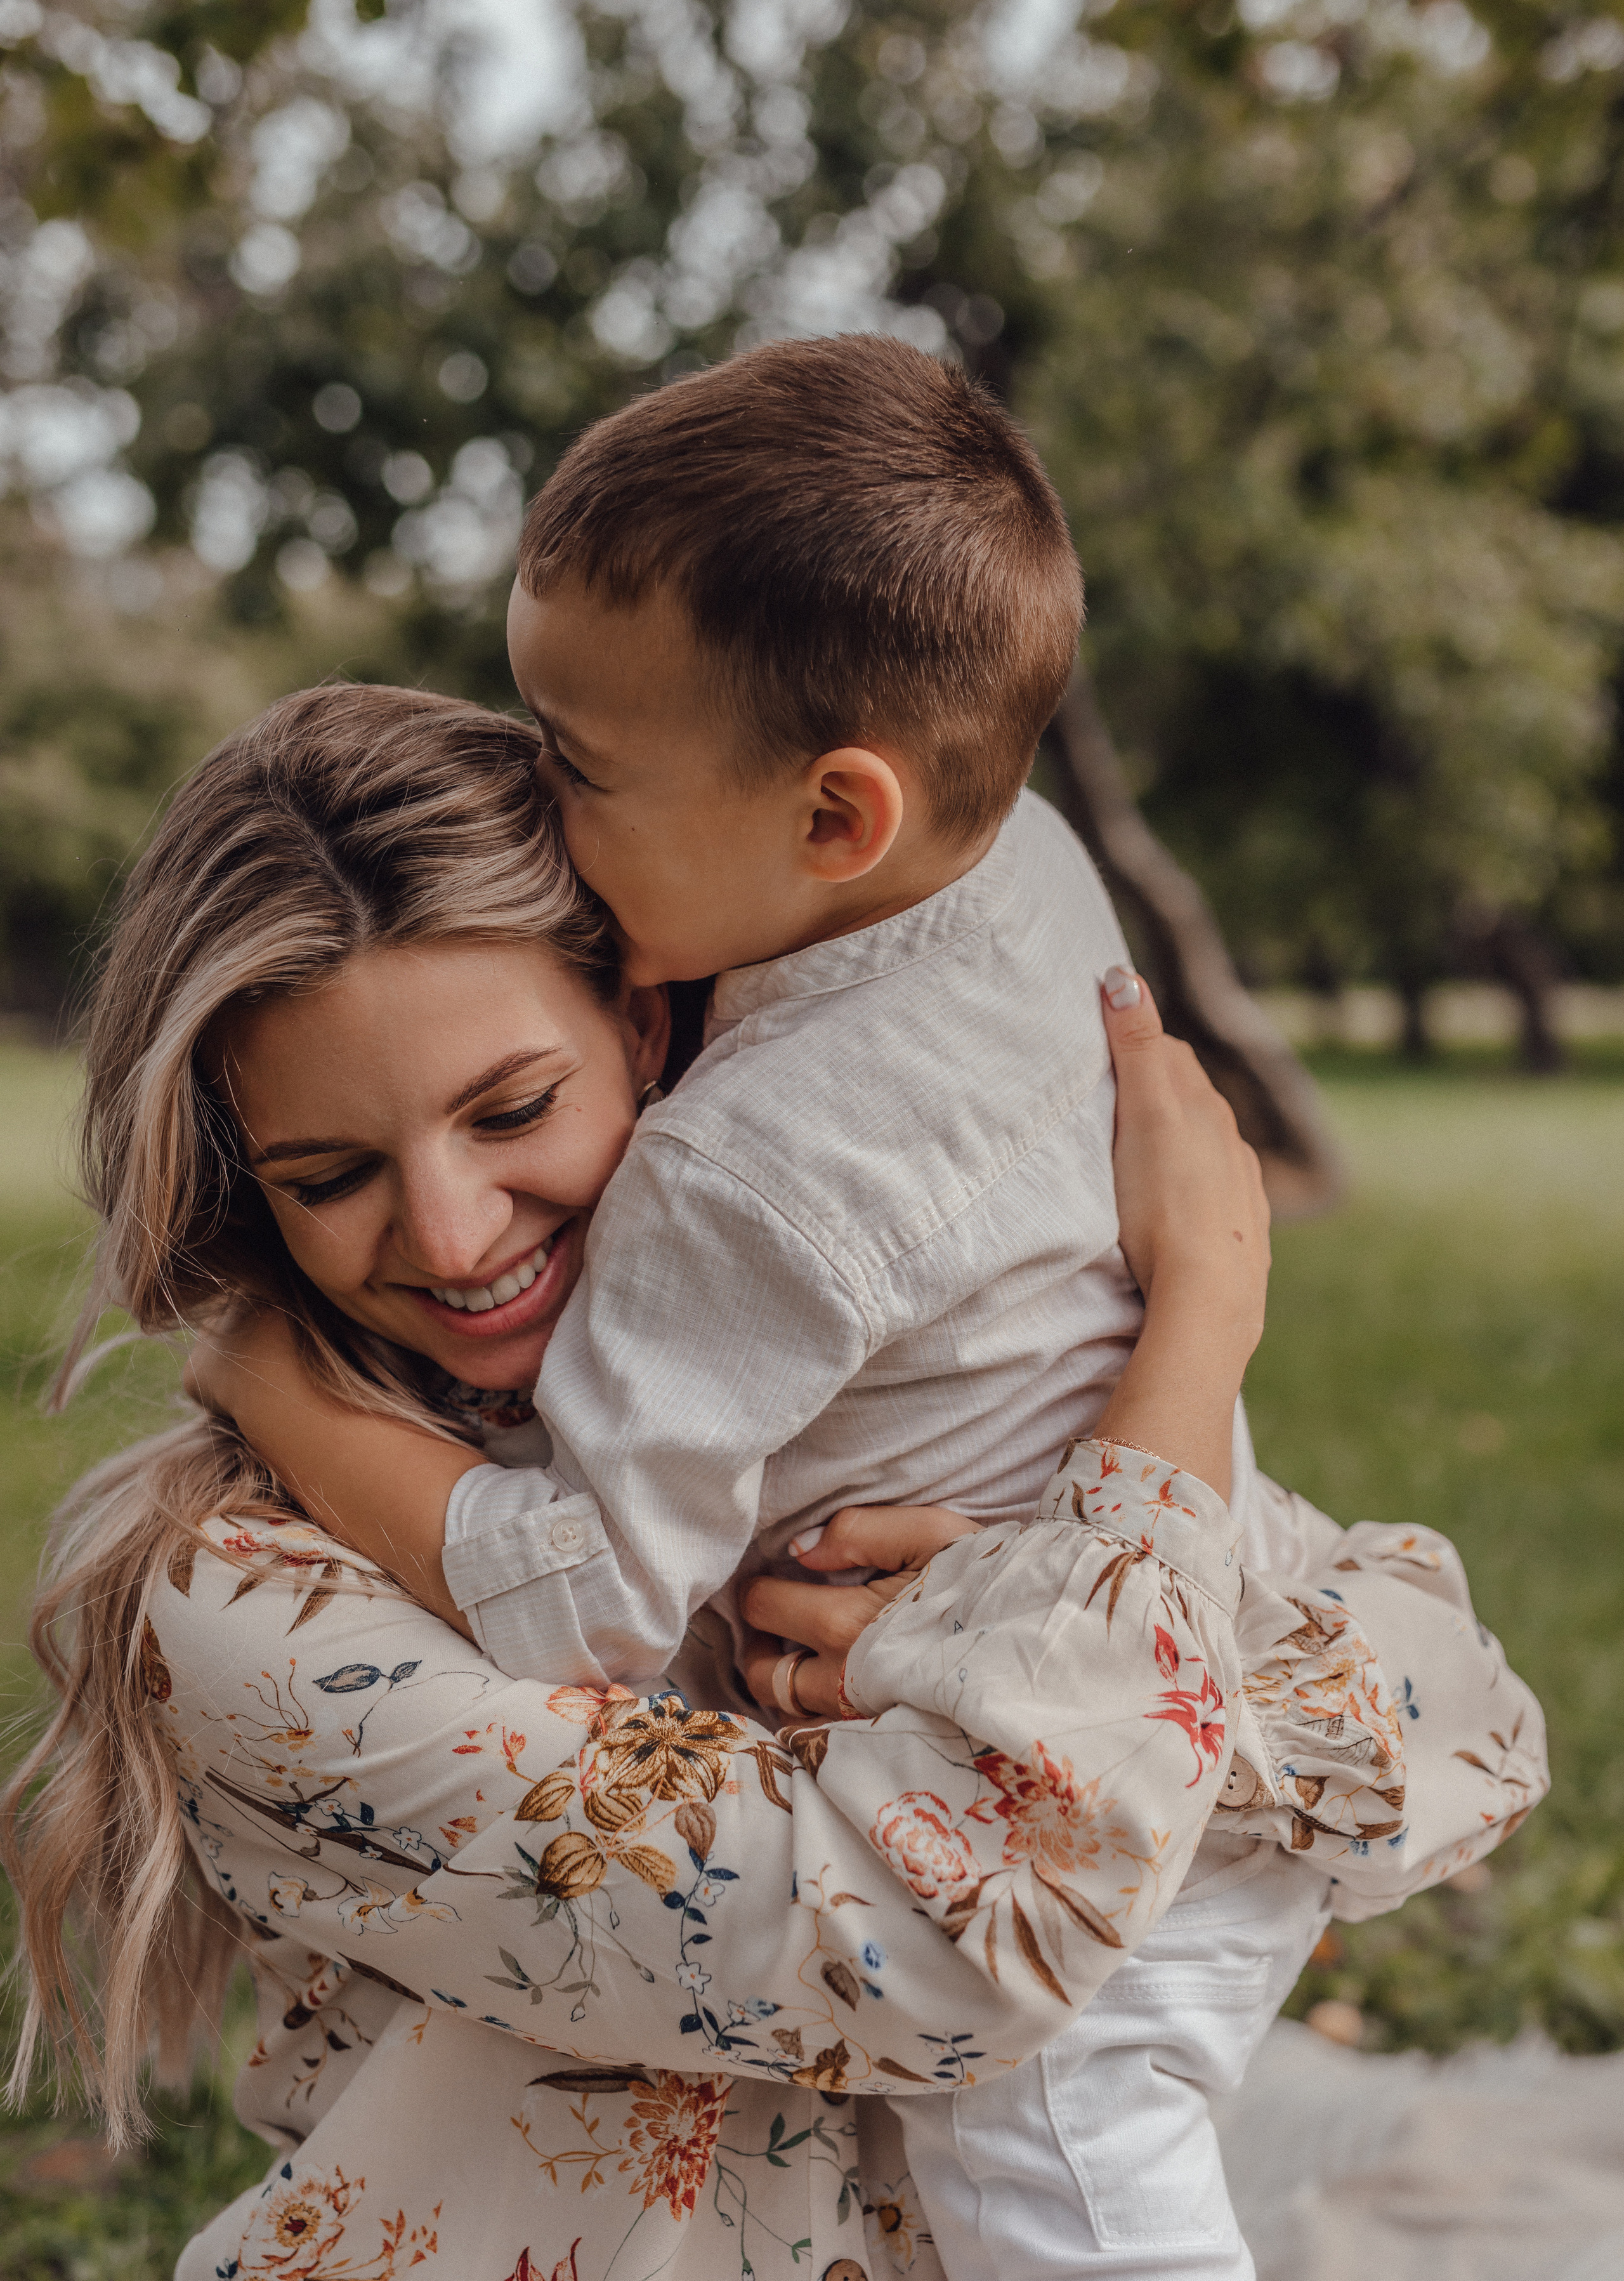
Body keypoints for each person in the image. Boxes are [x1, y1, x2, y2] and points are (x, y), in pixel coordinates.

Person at [180, 340, 1545, 2280]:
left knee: (1068, 2201)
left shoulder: (744, 1172)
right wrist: (1200, 1321)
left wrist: (278, 1393)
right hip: (1201, 1664)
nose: (540, 805)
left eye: (574, 759)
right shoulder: (1015, 858)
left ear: (837, 818)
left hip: (1070, 1828)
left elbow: (580, 1603)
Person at [8, 680, 1368, 2281]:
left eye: (512, 1111)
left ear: (653, 1031)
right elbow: (969, 1937)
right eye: (332, 1174)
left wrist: (1064, 1546)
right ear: (251, 1192)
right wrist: (1177, 1390)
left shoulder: (870, 1405)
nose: (452, 1237)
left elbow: (1411, 1703)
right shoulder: (241, 1595)